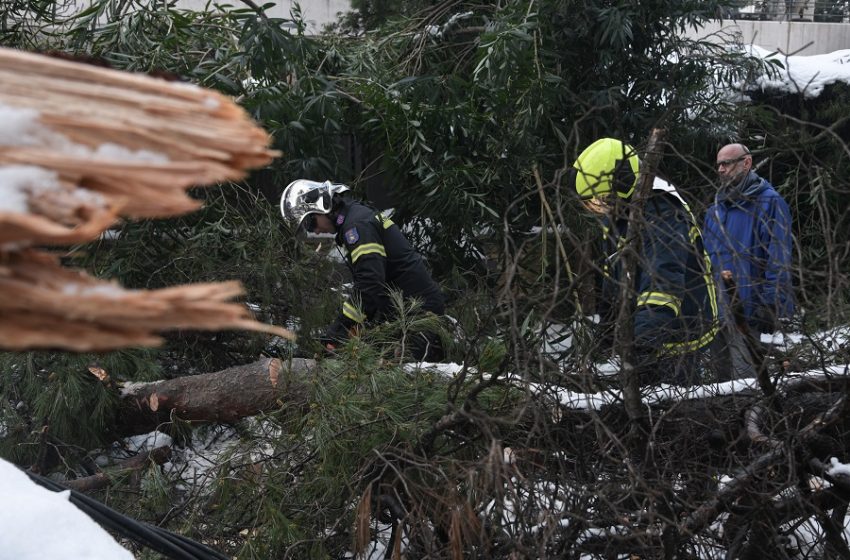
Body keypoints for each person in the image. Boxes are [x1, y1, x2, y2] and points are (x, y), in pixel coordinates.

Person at [569, 138, 718, 386]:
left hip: (682, 330)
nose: (597, 208)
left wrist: (643, 345)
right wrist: (606, 331)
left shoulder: (661, 212)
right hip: (645, 329)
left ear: (623, 184)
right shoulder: (617, 216)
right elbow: (613, 276)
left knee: (676, 411)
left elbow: (663, 282)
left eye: (599, 199)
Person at [280, 179, 446, 361]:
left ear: (323, 206)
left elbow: (370, 281)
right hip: (401, 312)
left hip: (417, 314)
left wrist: (341, 326)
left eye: (310, 224)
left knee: (408, 383)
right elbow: (376, 285)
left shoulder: (356, 226)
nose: (315, 232)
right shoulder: (355, 218)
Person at [702, 143, 794, 379]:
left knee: (750, 387)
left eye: (727, 163)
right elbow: (706, 262)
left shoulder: (770, 203)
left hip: (751, 314)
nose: (721, 169)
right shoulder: (714, 212)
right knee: (720, 391)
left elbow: (778, 258)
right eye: (718, 165)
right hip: (718, 316)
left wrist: (771, 305)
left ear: (747, 163)